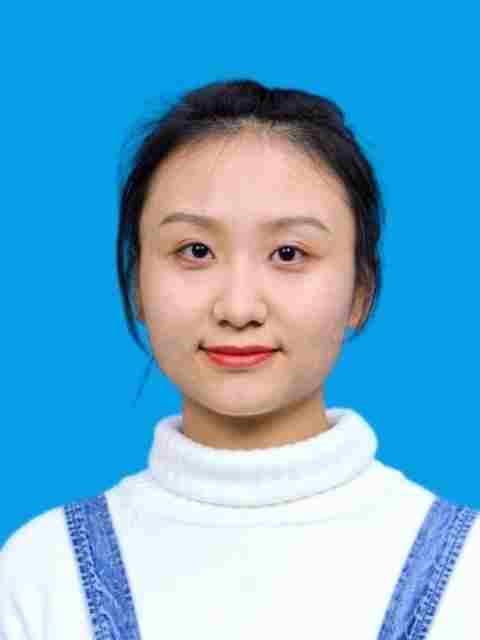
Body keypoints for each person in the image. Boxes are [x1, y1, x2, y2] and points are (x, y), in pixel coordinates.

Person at [1, 78, 477, 639]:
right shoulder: (43, 572)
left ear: (361, 291)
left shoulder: (468, 574)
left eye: (289, 253)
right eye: (196, 251)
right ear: (135, 285)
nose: (238, 308)